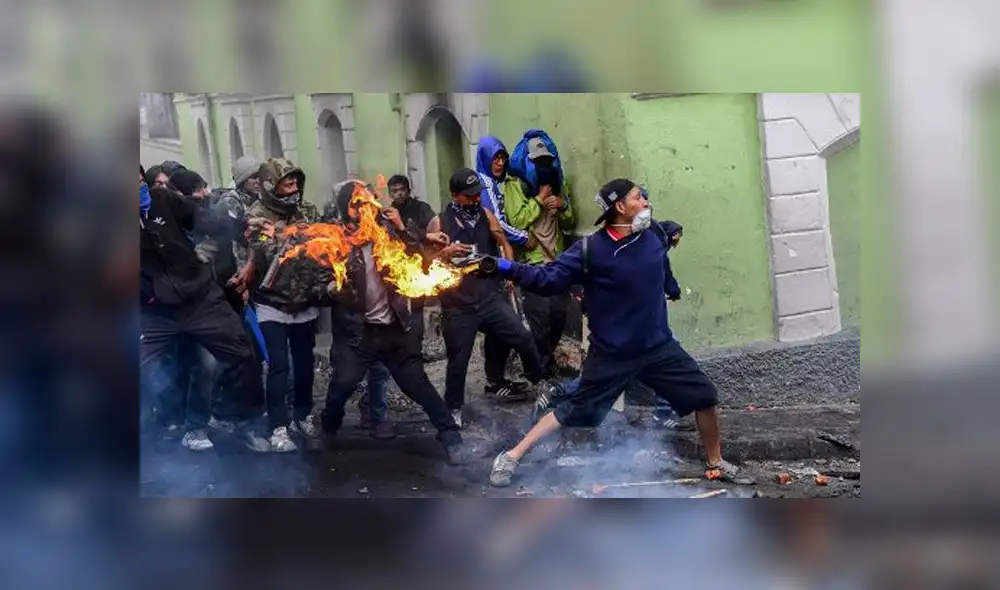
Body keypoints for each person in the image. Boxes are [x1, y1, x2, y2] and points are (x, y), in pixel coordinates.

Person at [481, 178, 747, 487]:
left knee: (705, 396)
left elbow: (664, 253)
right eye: (638, 198)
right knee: (576, 410)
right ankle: (511, 455)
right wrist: (501, 265)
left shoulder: (655, 234)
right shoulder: (590, 250)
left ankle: (716, 462)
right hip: (612, 354)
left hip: (658, 348)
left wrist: (672, 271)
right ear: (620, 207)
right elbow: (547, 278)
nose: (646, 202)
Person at [319, 180, 474, 464]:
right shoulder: (334, 242)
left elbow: (419, 256)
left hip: (394, 330)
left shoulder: (389, 234)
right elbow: (317, 285)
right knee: (343, 383)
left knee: (417, 383)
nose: (363, 209)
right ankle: (328, 426)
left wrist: (403, 228)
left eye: (366, 202)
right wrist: (330, 289)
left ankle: (451, 436)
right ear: (346, 209)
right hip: (357, 335)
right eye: (355, 204)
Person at [139, 170, 269, 452]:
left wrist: (244, 224)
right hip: (153, 313)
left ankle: (243, 420)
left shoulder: (162, 200)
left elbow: (208, 220)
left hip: (199, 299)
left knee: (241, 351)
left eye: (138, 181)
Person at [424, 168, 553, 427]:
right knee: (458, 361)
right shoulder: (439, 222)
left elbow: (502, 240)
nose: (475, 199)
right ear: (454, 195)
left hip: (488, 297)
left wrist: (509, 268)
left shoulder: (485, 214)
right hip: (458, 304)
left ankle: (540, 384)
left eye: (477, 194)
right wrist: (445, 252)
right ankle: (454, 410)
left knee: (523, 337)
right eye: (469, 196)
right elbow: (426, 266)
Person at [245, 158, 321, 452]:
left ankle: (302, 416)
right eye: (286, 184)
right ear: (270, 185)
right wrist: (285, 236)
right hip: (271, 303)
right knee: (279, 365)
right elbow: (264, 254)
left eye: (295, 183)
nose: (293, 189)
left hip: (303, 300)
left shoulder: (308, 210)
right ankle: (277, 425)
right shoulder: (256, 216)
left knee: (304, 364)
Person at [504, 133, 576, 378]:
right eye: (537, 161)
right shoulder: (515, 184)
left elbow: (570, 220)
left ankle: (544, 364)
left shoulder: (558, 183)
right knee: (539, 320)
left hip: (558, 260)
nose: (542, 165)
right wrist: (539, 200)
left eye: (546, 160)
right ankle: (539, 373)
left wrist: (562, 206)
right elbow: (517, 220)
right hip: (533, 262)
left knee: (559, 316)